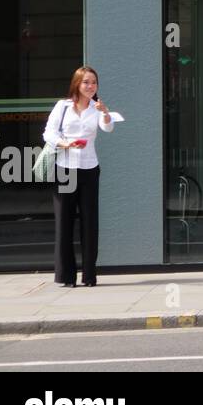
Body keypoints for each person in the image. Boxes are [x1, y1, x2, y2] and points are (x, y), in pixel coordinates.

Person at [42, 66, 124, 287]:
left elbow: (108, 129)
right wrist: (64, 143)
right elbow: (48, 133)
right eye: (86, 82)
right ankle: (66, 276)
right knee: (64, 222)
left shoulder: (97, 108)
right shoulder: (63, 106)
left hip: (89, 168)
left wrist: (105, 113)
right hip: (64, 169)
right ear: (77, 84)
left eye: (94, 82)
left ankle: (89, 275)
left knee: (90, 222)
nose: (90, 86)